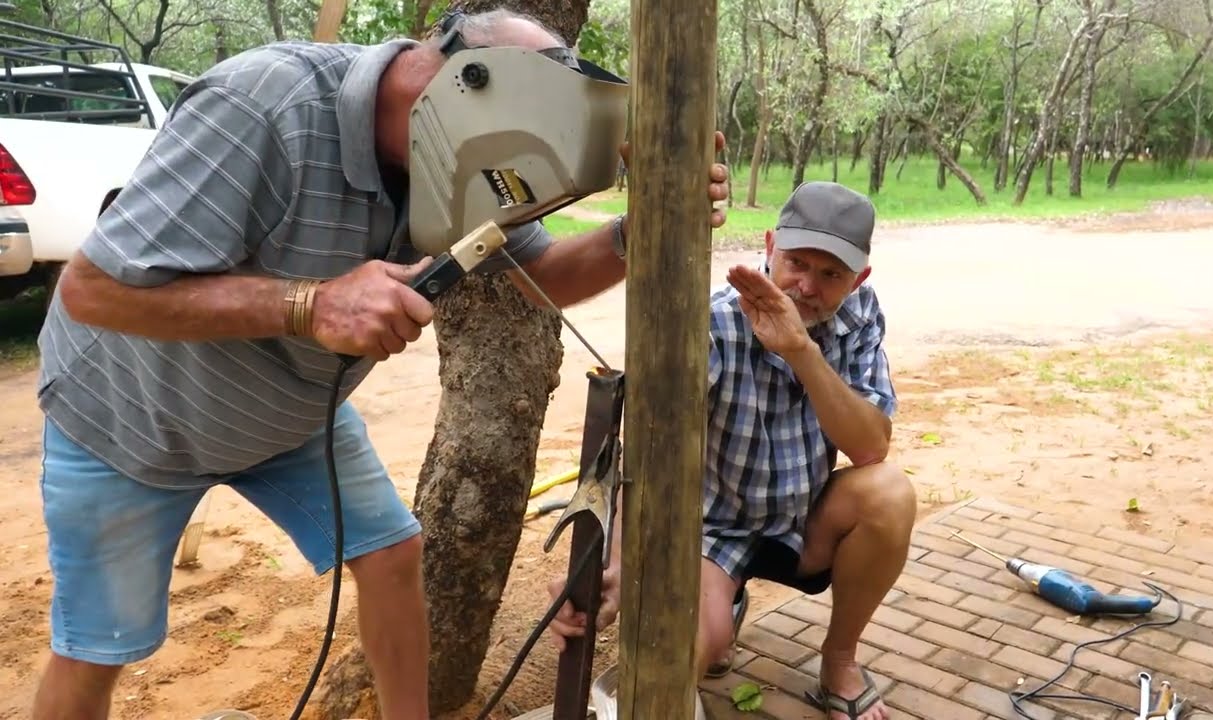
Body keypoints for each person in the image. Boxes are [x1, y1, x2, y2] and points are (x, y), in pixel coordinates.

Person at [31, 9, 729, 720]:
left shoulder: (464, 155)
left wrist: (635, 233)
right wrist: (311, 304)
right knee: (97, 649)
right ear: (466, 83)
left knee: (394, 559)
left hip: (291, 416)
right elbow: (94, 289)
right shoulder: (264, 102)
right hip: (130, 422)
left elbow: (542, 273)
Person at [546, 182, 916, 720]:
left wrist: (801, 351)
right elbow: (644, 458)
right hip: (710, 530)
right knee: (688, 650)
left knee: (890, 494)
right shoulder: (716, 322)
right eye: (796, 263)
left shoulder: (858, 316)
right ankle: (720, 608)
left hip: (801, 518)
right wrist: (620, 563)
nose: (806, 287)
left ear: (858, 279)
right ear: (769, 247)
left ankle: (839, 661)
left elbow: (869, 447)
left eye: (831, 274)